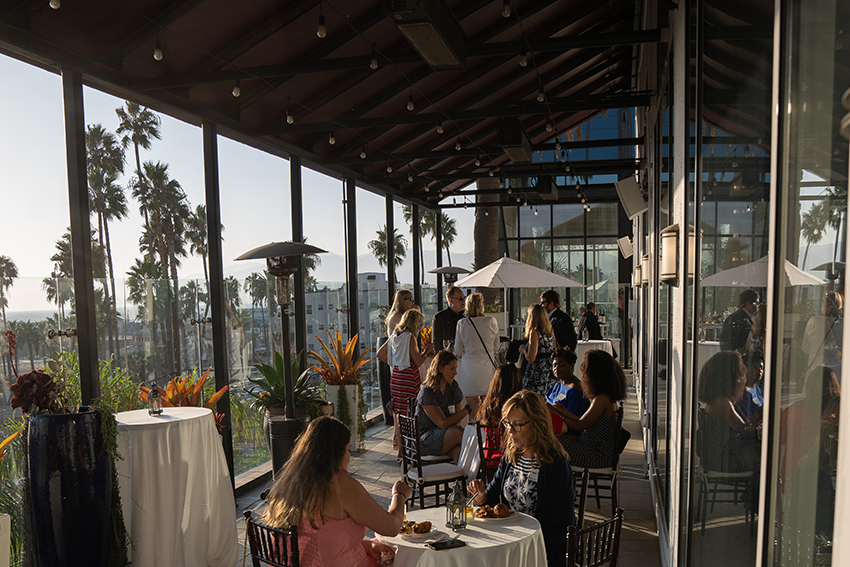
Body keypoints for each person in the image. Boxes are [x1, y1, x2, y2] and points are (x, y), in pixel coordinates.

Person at [263, 417, 412, 567]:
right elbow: (391, 527)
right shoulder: (338, 484)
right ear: (336, 454)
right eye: (347, 449)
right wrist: (399, 495)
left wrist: (366, 546)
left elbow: (319, 542)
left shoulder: (289, 484)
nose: (349, 456)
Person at [467, 390, 575, 567]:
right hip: (512, 545)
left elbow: (563, 529)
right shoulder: (511, 456)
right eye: (508, 424)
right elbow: (492, 497)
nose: (510, 431)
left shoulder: (555, 465)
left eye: (517, 425)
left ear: (537, 424)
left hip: (544, 550)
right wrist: (481, 497)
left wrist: (521, 537)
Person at [557, 350, 628, 469]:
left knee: (550, 444)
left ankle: (557, 482)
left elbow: (580, 425)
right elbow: (585, 422)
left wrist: (561, 415)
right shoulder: (605, 396)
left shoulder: (602, 399)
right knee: (551, 440)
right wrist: (564, 412)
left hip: (597, 454)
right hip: (591, 445)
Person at [377, 309, 435, 451]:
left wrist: (394, 362)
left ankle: (401, 452)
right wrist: (427, 351)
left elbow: (379, 354)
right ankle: (410, 449)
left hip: (396, 377)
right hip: (408, 378)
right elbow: (418, 361)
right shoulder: (410, 337)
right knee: (410, 414)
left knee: (400, 415)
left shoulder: (394, 336)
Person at [697, 351, 760, 473]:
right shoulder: (722, 402)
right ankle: (754, 490)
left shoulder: (713, 400)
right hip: (724, 460)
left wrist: (754, 418)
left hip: (714, 458)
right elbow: (744, 430)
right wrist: (757, 418)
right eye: (738, 374)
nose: (740, 378)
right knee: (767, 454)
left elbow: (740, 426)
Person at [415, 350, 473, 463]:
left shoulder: (453, 387)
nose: (455, 373)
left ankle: (464, 479)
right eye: (452, 369)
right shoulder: (427, 391)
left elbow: (457, 421)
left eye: (455, 368)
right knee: (458, 433)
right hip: (425, 440)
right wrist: (467, 409)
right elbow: (442, 423)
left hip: (445, 435)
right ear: (440, 368)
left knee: (459, 452)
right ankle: (483, 457)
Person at [454, 293, 500, 416]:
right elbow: (496, 347)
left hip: (469, 372)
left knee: (472, 410)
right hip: (487, 371)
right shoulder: (491, 321)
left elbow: (458, 351)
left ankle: (473, 434)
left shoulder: (462, 324)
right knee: (487, 409)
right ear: (481, 306)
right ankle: (486, 434)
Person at [546, 348, 591, 433]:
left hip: (567, 432)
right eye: (554, 365)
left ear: (572, 366)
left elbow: (574, 422)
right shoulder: (558, 384)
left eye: (561, 365)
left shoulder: (575, 389)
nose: (556, 368)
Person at [520, 303, 558, 396]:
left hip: (537, 372)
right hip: (548, 370)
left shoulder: (534, 332)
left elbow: (531, 358)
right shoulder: (550, 333)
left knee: (533, 400)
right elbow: (554, 349)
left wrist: (524, 350)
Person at [802, 291, 843, 376]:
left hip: (815, 371)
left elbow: (805, 349)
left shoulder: (814, 321)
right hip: (838, 373)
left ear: (827, 305)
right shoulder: (844, 324)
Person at [432, 286, 465, 350]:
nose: (463, 301)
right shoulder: (440, 318)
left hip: (464, 357)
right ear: (451, 301)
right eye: (460, 298)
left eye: (464, 297)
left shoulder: (465, 317)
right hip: (448, 356)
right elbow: (437, 343)